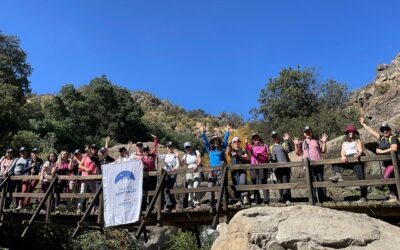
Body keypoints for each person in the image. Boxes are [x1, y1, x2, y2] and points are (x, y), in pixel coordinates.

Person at [360, 117, 399, 203]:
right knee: (390, 178)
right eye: (383, 130)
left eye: (386, 129)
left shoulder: (392, 138)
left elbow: (394, 148)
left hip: (394, 163)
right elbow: (372, 132)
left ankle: (394, 196)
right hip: (387, 163)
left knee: (386, 177)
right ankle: (394, 195)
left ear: (390, 130)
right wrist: (363, 124)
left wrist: (381, 151)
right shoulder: (382, 138)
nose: (385, 131)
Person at [328, 124, 367, 202]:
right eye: (349, 132)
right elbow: (342, 151)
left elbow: (360, 150)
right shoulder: (344, 143)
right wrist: (342, 156)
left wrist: (358, 154)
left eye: (352, 132)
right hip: (347, 159)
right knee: (335, 163)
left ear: (354, 133)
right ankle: (338, 175)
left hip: (356, 159)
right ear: (347, 133)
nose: (351, 133)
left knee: (361, 177)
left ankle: (363, 197)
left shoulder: (357, 141)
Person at [294, 126, 328, 203]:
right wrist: (296, 145)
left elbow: (323, 151)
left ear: (311, 132)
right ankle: (314, 198)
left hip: (319, 163)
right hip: (308, 165)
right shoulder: (302, 143)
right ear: (304, 134)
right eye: (306, 132)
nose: (308, 133)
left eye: (309, 132)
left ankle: (322, 198)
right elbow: (298, 153)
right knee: (311, 181)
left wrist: (324, 142)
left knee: (320, 180)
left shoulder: (317, 141)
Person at [201, 124, 230, 208]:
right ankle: (212, 202)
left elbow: (225, 140)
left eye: (217, 140)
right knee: (210, 185)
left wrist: (227, 131)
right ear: (212, 142)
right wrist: (203, 133)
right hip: (212, 171)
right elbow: (205, 142)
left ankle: (224, 201)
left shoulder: (222, 148)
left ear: (218, 141)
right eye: (214, 141)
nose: (216, 142)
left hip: (221, 170)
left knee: (222, 185)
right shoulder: (210, 150)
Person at [245, 133, 270, 205]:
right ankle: (257, 200)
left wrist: (262, 155)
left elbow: (267, 155)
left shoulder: (264, 146)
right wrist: (246, 143)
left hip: (262, 166)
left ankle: (266, 200)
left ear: (259, 138)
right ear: (252, 140)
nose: (256, 139)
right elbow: (247, 148)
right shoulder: (251, 147)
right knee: (254, 182)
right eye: (254, 138)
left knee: (263, 181)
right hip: (253, 167)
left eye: (257, 138)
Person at [136, 135, 158, 210]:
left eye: (147, 150)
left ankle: (151, 207)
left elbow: (155, 147)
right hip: (145, 176)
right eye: (144, 150)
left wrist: (155, 139)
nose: (146, 151)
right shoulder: (141, 157)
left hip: (153, 175)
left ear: (149, 150)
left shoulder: (153, 156)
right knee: (145, 191)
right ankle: (143, 207)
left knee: (152, 190)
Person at [269, 131, 292, 205]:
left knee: (285, 181)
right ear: (273, 138)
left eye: (276, 136)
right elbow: (271, 159)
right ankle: (282, 198)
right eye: (273, 137)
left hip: (285, 166)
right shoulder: (271, 147)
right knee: (279, 182)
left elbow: (288, 150)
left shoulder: (283, 144)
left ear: (278, 136)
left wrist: (287, 141)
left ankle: (287, 199)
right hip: (277, 168)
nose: (275, 138)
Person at [227, 136, 249, 206]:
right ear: (233, 143)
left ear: (240, 142)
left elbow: (246, 157)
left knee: (242, 182)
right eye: (235, 141)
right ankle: (239, 200)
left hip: (242, 169)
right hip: (234, 171)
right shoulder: (232, 150)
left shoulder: (243, 149)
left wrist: (238, 155)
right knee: (236, 185)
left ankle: (245, 197)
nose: (236, 143)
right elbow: (228, 152)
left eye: (238, 141)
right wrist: (228, 144)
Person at [181, 141, 202, 208]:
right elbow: (181, 165)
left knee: (195, 186)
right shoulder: (185, 155)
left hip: (197, 171)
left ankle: (196, 203)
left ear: (191, 147)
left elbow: (199, 159)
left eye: (189, 147)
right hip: (189, 173)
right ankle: (190, 203)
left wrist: (197, 165)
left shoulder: (196, 152)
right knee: (190, 187)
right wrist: (178, 157)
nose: (188, 149)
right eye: (186, 148)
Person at [163, 141, 180, 211]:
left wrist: (175, 168)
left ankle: (169, 205)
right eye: (168, 147)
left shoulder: (175, 155)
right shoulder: (166, 155)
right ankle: (172, 204)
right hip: (166, 173)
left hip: (172, 173)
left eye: (170, 146)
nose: (169, 148)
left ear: (172, 147)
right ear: (167, 148)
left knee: (169, 188)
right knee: (167, 188)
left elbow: (178, 163)